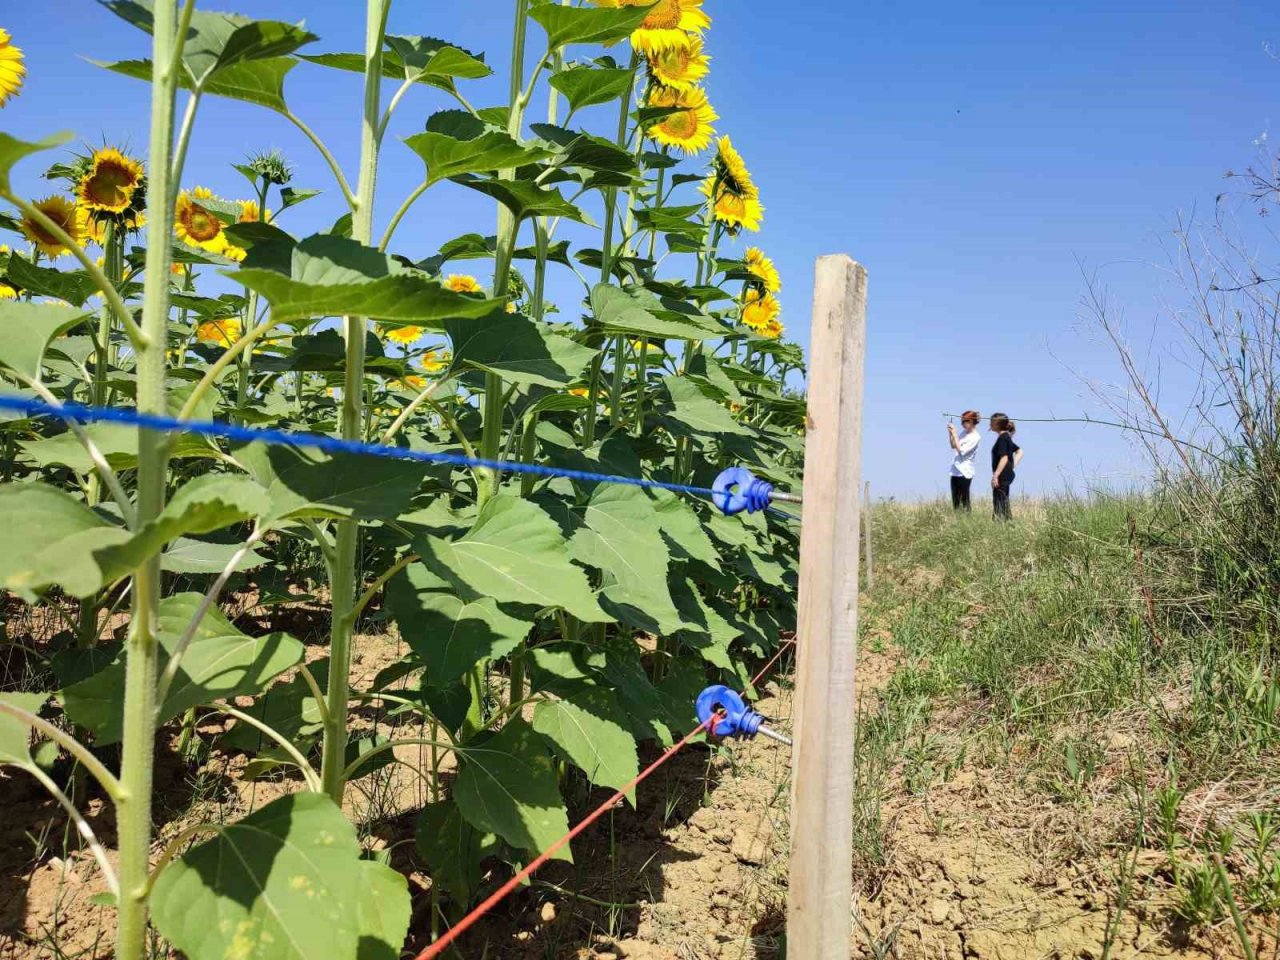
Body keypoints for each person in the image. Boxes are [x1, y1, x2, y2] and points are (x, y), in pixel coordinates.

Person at [989, 414, 1023, 520]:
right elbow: (1020, 452)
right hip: (1006, 474)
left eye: (991, 421)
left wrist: (996, 475)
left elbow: (1004, 457)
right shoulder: (1006, 437)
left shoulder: (1003, 438)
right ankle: (1008, 524)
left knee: (999, 501)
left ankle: (1000, 524)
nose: (989, 423)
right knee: (1003, 500)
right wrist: (1012, 466)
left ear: (997, 424)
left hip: (1002, 475)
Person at [946, 410, 982, 510]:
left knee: (964, 500)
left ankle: (967, 519)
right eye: (961, 422)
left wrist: (954, 432)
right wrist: (951, 433)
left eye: (965, 421)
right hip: (955, 471)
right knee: (955, 501)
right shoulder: (963, 433)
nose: (962, 424)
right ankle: (957, 520)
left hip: (965, 472)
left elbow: (962, 451)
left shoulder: (976, 437)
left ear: (971, 421)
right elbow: (953, 445)